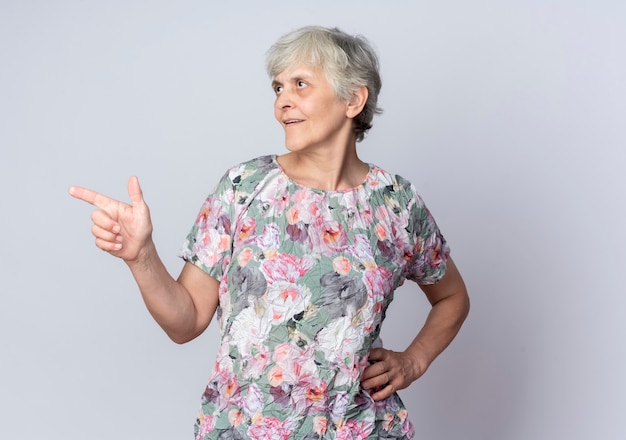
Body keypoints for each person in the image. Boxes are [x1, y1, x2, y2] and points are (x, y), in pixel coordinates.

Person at [69, 25, 469, 439]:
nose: (283, 103)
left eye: (300, 85)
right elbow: (185, 323)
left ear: (353, 99)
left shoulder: (395, 203)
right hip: (244, 429)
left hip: (358, 428)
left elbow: (452, 297)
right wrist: (141, 257)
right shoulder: (243, 187)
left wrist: (414, 360)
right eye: (278, 88)